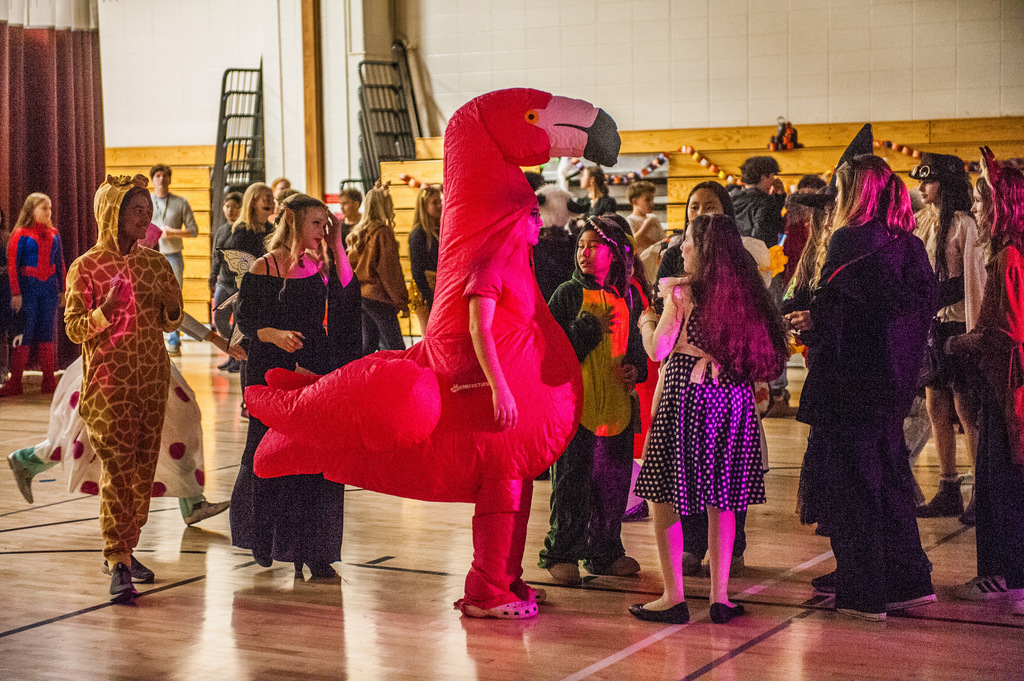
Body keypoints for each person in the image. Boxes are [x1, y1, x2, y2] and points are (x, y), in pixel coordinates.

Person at [787, 154, 938, 621]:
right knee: (891, 482)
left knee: (853, 488)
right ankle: (908, 581)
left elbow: (841, 316)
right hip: (893, 384)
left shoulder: (849, 240)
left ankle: (864, 591)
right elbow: (898, 311)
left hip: (848, 385)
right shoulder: (908, 245)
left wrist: (810, 321)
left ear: (855, 190)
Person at [630, 214, 787, 625]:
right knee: (724, 498)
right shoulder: (746, 293)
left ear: (704, 250)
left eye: (688, 242)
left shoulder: (682, 292)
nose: (681, 248)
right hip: (731, 396)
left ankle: (673, 596)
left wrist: (647, 320)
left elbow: (659, 348)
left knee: (663, 493)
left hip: (687, 392)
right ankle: (720, 598)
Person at [64, 174, 183, 603]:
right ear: (111, 214)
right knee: (117, 468)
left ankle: (126, 549)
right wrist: (103, 312)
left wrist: (173, 305)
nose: (145, 215)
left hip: (152, 380)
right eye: (135, 209)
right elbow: (75, 329)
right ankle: (116, 556)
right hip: (109, 385)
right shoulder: (86, 267)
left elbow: (170, 319)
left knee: (140, 473)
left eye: (147, 209)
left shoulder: (155, 263)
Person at [6, 312, 238, 525]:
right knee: (87, 435)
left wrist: (212, 337)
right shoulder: (107, 271)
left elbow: (172, 311)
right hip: (113, 364)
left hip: (146, 362)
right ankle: (29, 459)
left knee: (178, 426)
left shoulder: (149, 270)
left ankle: (193, 502)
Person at [230, 193, 356, 581]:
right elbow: (247, 323)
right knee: (267, 455)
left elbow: (348, 298)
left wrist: (337, 247)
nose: (322, 230)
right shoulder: (264, 267)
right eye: (316, 223)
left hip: (313, 370)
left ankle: (315, 552)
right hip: (271, 371)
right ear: (292, 219)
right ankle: (264, 539)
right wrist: (276, 335)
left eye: (325, 223)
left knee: (316, 460)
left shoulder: (317, 266)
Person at [539, 216, 648, 585]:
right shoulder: (567, 294)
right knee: (572, 483)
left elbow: (635, 344)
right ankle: (561, 552)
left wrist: (637, 368)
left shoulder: (626, 295)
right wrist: (587, 330)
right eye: (581, 246)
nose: (584, 253)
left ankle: (604, 552)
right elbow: (551, 352)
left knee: (612, 486)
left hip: (616, 407)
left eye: (593, 246)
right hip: (577, 408)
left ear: (614, 254)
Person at [948, 157, 1024, 612]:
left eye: (981, 200)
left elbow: (1008, 332)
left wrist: (966, 339)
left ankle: (1006, 575)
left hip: (1007, 387)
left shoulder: (1009, 256)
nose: (975, 208)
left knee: (1001, 482)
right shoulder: (1007, 252)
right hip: (1004, 384)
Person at [911, 154, 987, 521]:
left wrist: (929, 297)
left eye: (929, 180)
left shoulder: (963, 223)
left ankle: (982, 491)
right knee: (935, 404)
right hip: (932, 322)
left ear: (948, 183)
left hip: (959, 322)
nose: (922, 188)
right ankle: (947, 486)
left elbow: (970, 281)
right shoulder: (921, 221)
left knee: (965, 407)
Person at [1, 193, 65, 397]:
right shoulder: (20, 234)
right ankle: (16, 381)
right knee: (24, 334)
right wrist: (16, 293)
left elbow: (60, 263)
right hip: (28, 289)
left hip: (49, 290)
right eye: (44, 208)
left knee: (46, 333)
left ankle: (48, 380)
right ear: (32, 210)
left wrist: (63, 290)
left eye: (50, 208)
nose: (49, 212)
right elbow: (13, 266)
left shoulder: (54, 233)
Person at [210, 184, 274, 376]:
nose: (270, 201)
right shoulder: (242, 231)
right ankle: (239, 364)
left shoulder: (272, 229)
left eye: (271, 197)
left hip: (265, 291)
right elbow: (241, 267)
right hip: (241, 288)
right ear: (253, 201)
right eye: (266, 198)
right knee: (240, 331)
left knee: (257, 341)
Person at [347, 183, 409, 353]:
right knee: (395, 346)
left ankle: (362, 376)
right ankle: (400, 378)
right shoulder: (383, 232)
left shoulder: (358, 231)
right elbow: (389, 270)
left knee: (368, 345)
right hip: (378, 295)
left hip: (362, 294)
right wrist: (401, 300)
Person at [150, 164, 199, 357]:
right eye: (158, 175)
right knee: (150, 295)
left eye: (165, 176)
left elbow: (193, 230)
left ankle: (174, 339)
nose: (161, 179)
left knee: (174, 296)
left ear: (170, 179)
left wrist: (172, 232)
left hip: (173, 255)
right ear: (153, 179)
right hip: (151, 254)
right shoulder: (146, 201)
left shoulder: (180, 202)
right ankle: (154, 337)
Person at [209, 190, 244, 366]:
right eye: (227, 206)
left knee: (239, 323)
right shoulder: (221, 230)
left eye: (234, 207)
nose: (230, 210)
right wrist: (211, 278)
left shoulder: (244, 230)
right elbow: (215, 256)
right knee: (220, 320)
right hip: (223, 281)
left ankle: (239, 357)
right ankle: (232, 353)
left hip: (239, 284)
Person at [408, 186, 442, 333]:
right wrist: (427, 294)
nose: (440, 205)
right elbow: (417, 269)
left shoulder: (441, 229)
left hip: (440, 287)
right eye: (435, 203)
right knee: (429, 333)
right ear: (424, 206)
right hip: (425, 289)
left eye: (440, 201)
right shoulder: (418, 234)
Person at [625, 180, 666, 283]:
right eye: (647, 200)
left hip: (656, 266)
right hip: (640, 267)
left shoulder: (654, 218)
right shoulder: (630, 220)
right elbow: (633, 242)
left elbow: (662, 240)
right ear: (635, 201)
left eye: (652, 199)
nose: (652, 203)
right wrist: (646, 225)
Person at [0, 207, 12, 387]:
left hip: (3, 288)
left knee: (2, 332)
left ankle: (2, 371)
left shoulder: (7, 237)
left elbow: (14, 263)